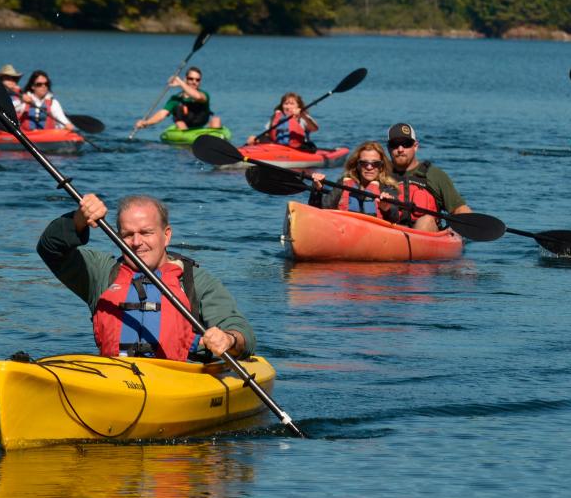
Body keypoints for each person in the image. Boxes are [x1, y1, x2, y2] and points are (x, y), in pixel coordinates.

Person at [37, 193, 254, 361]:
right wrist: (79, 219)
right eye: (128, 235)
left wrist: (229, 338)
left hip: (177, 381)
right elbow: (50, 248)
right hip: (115, 379)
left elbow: (241, 332)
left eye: (146, 232)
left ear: (166, 235)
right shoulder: (101, 273)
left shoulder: (195, 281)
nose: (137, 242)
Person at [386, 123, 471, 232]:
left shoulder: (435, 175)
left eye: (406, 144)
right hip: (390, 233)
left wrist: (466, 220)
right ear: (388, 148)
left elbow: (459, 209)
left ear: (415, 146)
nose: (400, 149)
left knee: (426, 221)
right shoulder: (381, 174)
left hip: (426, 235)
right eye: (395, 144)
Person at [308, 141, 399, 219]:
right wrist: (317, 191)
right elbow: (320, 210)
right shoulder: (344, 184)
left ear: (381, 166)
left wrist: (387, 209)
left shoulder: (388, 188)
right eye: (364, 163)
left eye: (375, 163)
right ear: (357, 165)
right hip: (345, 230)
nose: (369, 167)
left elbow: (395, 217)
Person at [135, 67, 222, 131]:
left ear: (200, 82)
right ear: (186, 79)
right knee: (179, 118)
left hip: (201, 124)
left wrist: (180, 82)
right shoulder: (176, 99)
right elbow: (162, 114)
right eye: (190, 79)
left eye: (197, 80)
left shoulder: (204, 94)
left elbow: (198, 97)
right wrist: (146, 123)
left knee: (216, 119)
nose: (194, 82)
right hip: (184, 127)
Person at [246, 92, 318, 147]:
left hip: (299, 148)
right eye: (286, 104)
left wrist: (303, 115)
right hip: (278, 148)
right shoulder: (277, 117)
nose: (288, 107)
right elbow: (268, 134)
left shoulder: (303, 118)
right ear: (282, 106)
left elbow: (314, 128)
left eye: (292, 104)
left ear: (298, 106)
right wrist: (256, 139)